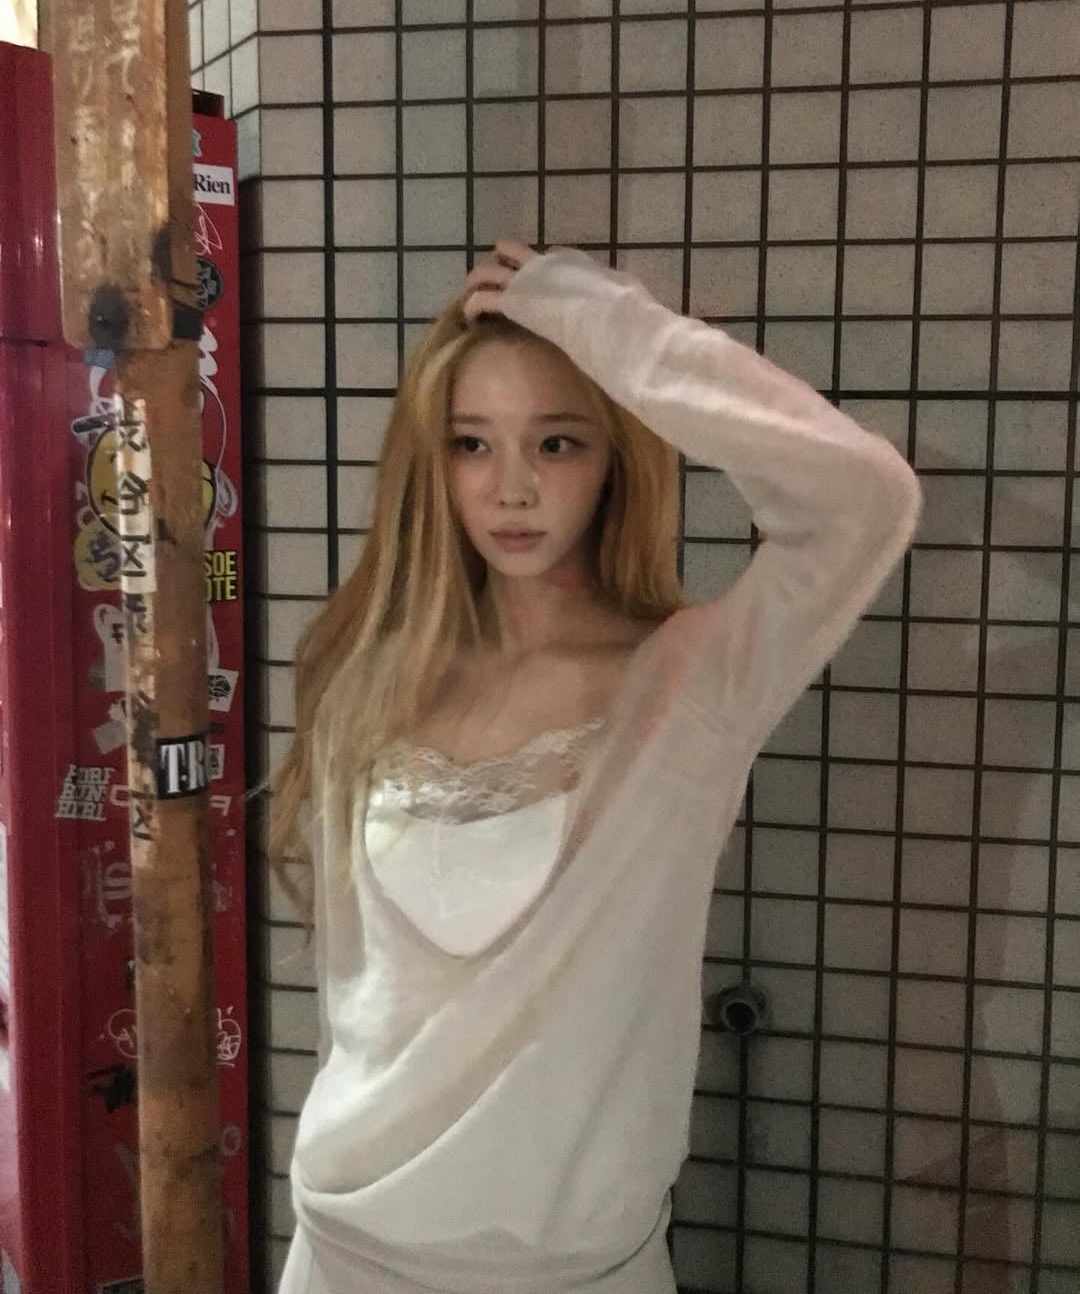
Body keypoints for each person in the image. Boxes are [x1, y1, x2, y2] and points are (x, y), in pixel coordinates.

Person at [269, 239, 923, 1294]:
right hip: (344, 1247)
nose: (513, 487)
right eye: (472, 444)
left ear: (615, 455)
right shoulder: (372, 674)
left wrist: (603, 321)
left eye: (558, 442)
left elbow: (863, 498)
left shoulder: (692, 683)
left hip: (574, 1269)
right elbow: (362, 999)